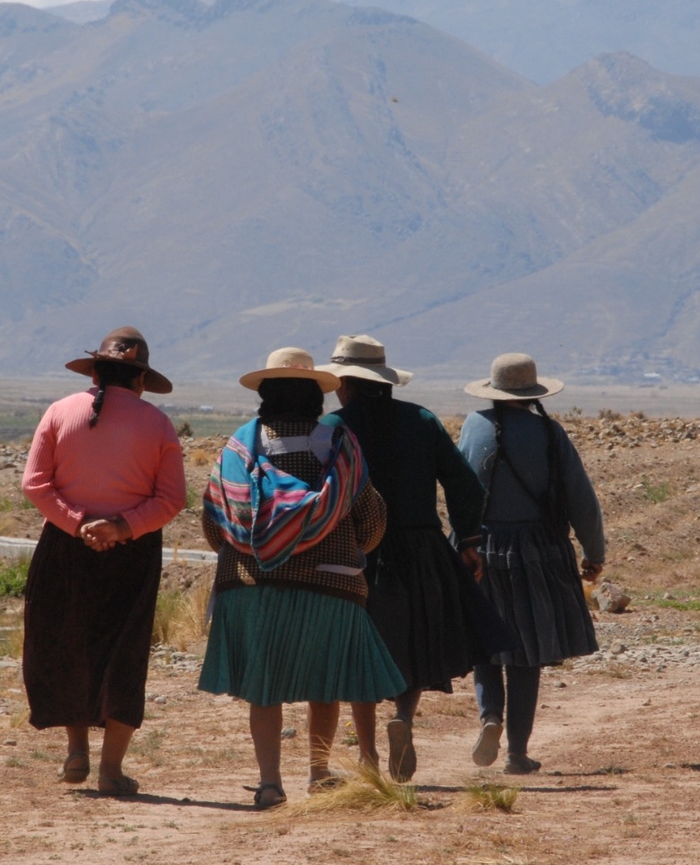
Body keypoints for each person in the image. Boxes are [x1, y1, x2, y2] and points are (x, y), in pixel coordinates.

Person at [199, 347, 405, 810]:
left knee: (263, 687)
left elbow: (215, 521)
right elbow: (371, 520)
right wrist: (336, 542)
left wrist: (261, 549)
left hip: (251, 584)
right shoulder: (339, 445)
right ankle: (319, 773)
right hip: (330, 583)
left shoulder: (238, 448)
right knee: (324, 683)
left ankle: (270, 782)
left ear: (265, 396)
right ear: (316, 398)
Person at [317, 334, 510, 782]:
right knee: (417, 642)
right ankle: (402, 715)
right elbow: (464, 484)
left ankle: (368, 757)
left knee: (361, 649)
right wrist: (468, 541)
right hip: (421, 547)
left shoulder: (331, 426)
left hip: (357, 550)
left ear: (344, 383)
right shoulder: (420, 419)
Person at [21, 327, 186, 797]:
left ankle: (76, 751)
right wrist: (121, 527)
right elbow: (171, 499)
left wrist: (77, 524)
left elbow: (35, 485)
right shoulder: (157, 424)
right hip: (132, 552)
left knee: (68, 642)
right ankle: (111, 770)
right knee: (124, 653)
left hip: (64, 548)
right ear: (141, 379)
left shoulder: (59, 411)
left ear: (95, 373)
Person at [458, 353, 605, 775]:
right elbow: (581, 498)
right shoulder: (549, 432)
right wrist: (594, 554)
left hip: (482, 547)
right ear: (532, 393)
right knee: (527, 651)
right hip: (539, 550)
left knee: (486, 641)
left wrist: (461, 544)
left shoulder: (473, 426)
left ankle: (490, 716)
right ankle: (517, 753)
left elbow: (460, 488)